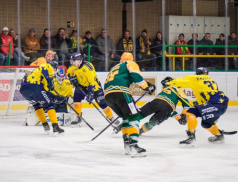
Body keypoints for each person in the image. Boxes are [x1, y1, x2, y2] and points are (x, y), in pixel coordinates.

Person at [104, 52, 156, 157]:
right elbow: (136, 75)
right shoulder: (130, 63)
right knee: (134, 116)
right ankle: (134, 145)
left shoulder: (116, 67)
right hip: (121, 92)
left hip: (108, 96)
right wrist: (146, 87)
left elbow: (130, 78)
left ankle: (127, 144)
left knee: (126, 117)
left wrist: (145, 85)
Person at [166, 67, 229, 147]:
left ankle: (191, 137)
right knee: (206, 124)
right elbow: (208, 93)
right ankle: (219, 136)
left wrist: (169, 81)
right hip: (221, 104)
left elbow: (179, 82)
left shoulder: (195, 78)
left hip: (215, 103)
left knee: (191, 112)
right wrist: (201, 103)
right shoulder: (211, 80)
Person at [67, 52, 120, 129]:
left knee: (102, 103)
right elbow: (69, 73)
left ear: (79, 60)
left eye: (74, 61)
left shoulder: (88, 67)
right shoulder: (73, 67)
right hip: (82, 86)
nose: (72, 62)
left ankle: (111, 117)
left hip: (95, 87)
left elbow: (92, 82)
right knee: (76, 98)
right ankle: (78, 117)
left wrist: (90, 94)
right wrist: (72, 79)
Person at [20, 59, 65, 134]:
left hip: (24, 90)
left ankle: (45, 125)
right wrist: (49, 79)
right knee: (49, 105)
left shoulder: (37, 73)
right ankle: (55, 126)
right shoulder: (47, 66)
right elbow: (45, 69)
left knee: (37, 105)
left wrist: (56, 96)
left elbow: (46, 91)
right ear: (54, 68)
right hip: (34, 86)